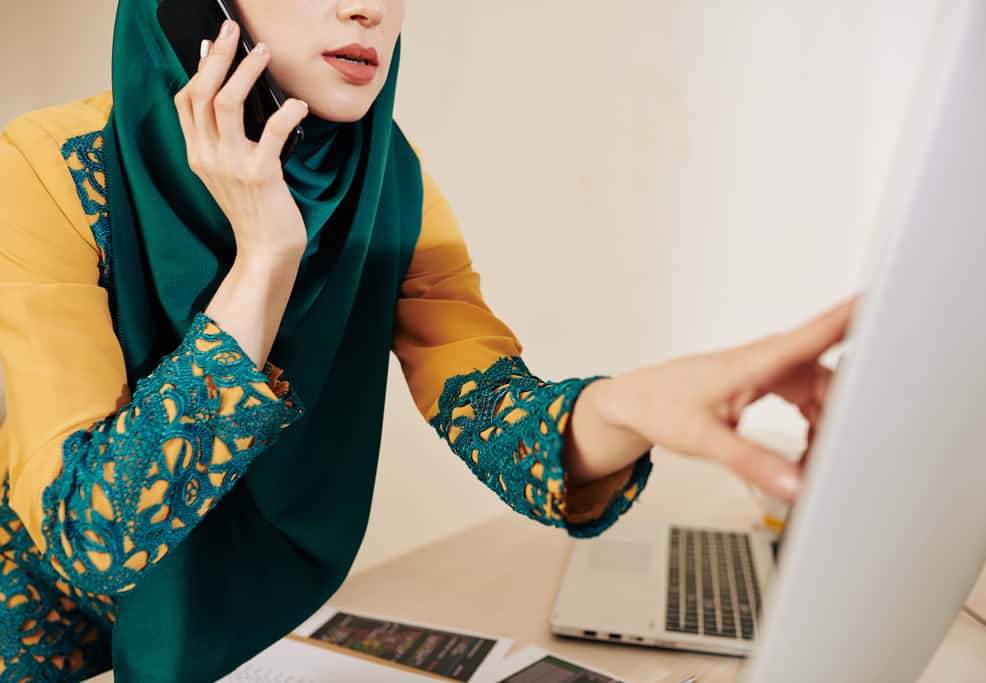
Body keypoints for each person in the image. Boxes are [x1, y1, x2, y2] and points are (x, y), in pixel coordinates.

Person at [0, 0, 853, 680]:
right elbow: (94, 530)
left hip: (253, 650)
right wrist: (264, 260)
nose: (367, 8)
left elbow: (496, 413)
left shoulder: (386, 185)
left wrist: (637, 404)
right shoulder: (44, 170)